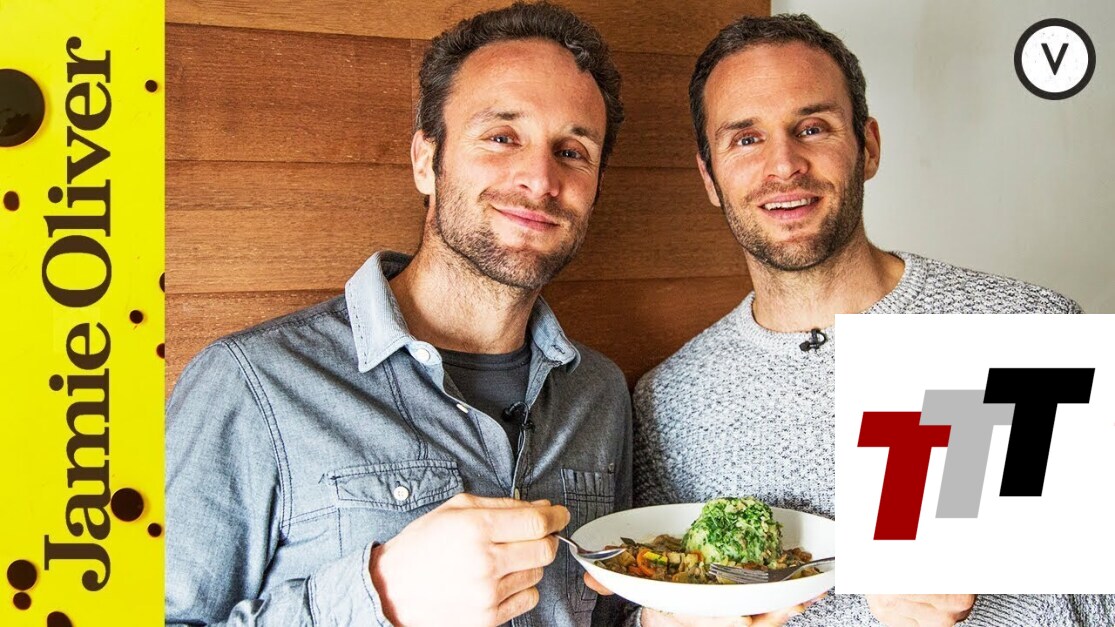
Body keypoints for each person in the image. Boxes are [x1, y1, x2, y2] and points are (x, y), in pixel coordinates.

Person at [628, 13, 1113, 627]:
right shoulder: (667, 402)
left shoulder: (1029, 331)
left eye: (812, 127)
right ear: (709, 176)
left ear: (869, 147)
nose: (784, 164)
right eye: (745, 139)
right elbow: (652, 599)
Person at [164, 3, 632, 626]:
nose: (540, 178)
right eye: (501, 137)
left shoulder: (600, 394)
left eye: (572, 151)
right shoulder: (251, 384)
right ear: (424, 161)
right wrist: (379, 597)